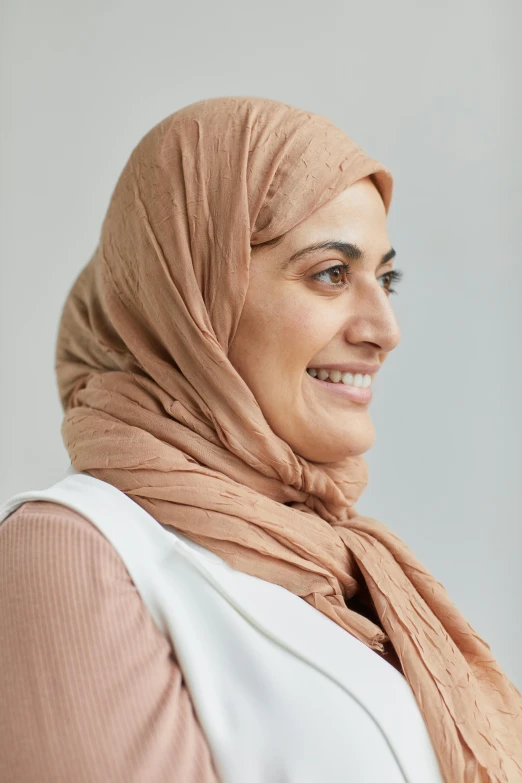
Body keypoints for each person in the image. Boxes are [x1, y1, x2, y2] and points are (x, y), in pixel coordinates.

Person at [0, 96, 521, 783]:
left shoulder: (337, 563)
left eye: (385, 278)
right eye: (331, 273)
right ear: (195, 300)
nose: (385, 328)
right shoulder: (69, 551)